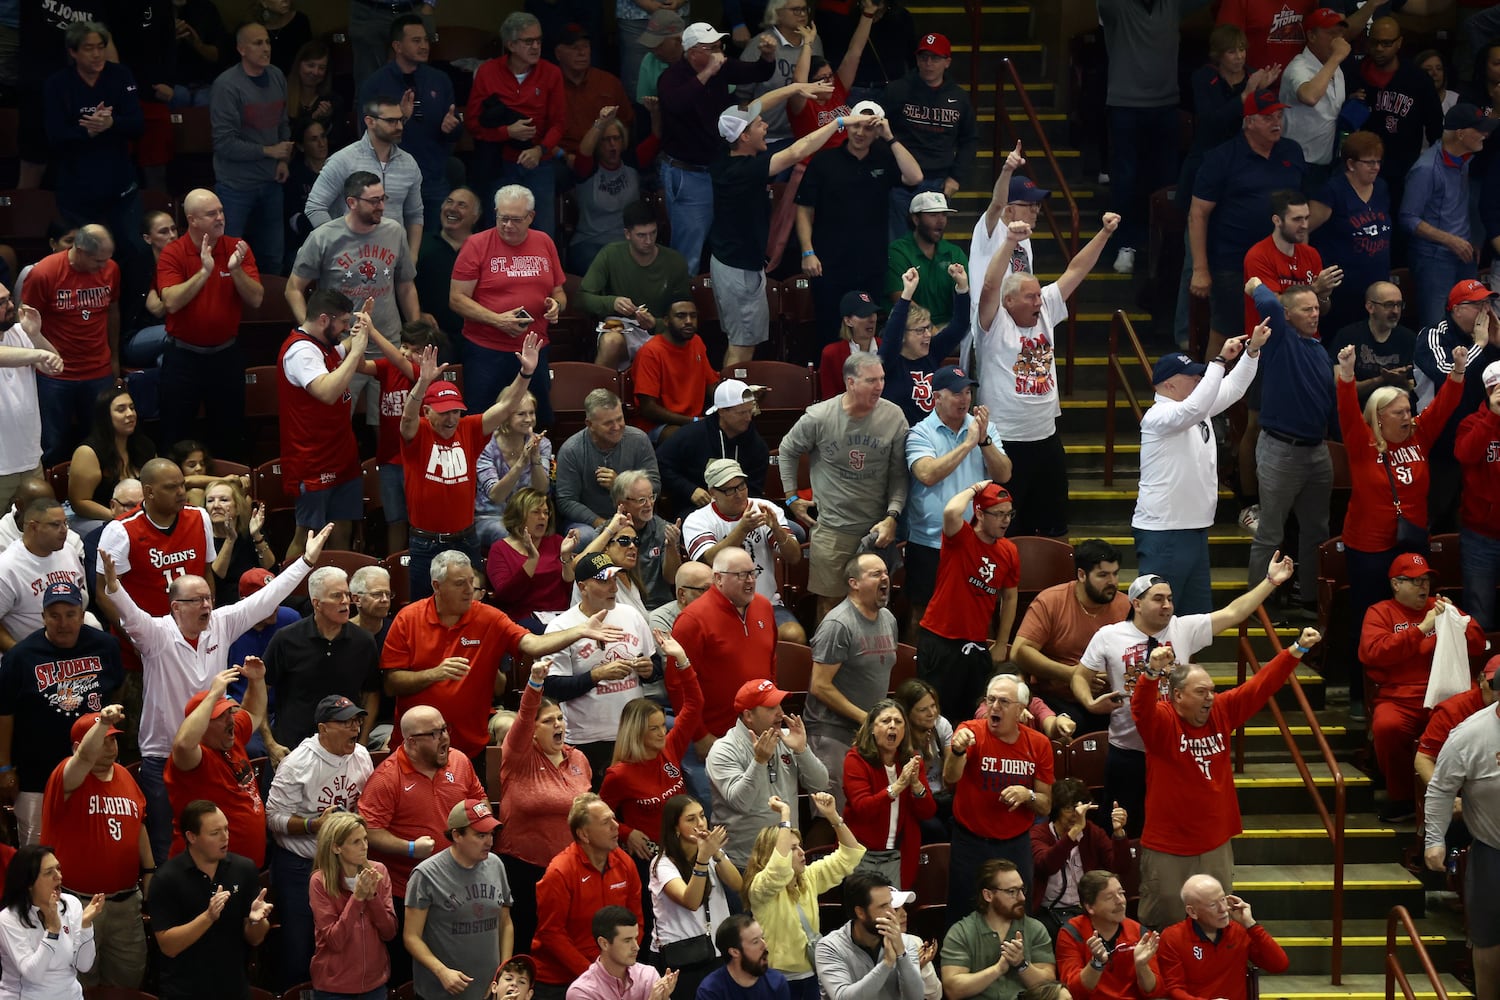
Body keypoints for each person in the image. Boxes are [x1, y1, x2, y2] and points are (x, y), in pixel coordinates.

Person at [101, 525, 326, 866]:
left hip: (215, 753)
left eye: (209, 598)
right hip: (165, 756)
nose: (207, 605)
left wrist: (306, 562)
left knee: (221, 838)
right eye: (197, 601)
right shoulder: (155, 635)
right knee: (171, 843)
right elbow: (129, 615)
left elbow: (266, 598)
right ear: (176, 607)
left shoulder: (221, 622)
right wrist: (114, 586)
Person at [1070, 560, 1295, 841]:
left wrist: (1271, 582)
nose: (1167, 605)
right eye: (1158, 599)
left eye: (1170, 599)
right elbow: (1079, 676)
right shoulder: (1109, 635)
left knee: (1169, 828)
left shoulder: (1184, 628)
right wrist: (1090, 704)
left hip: (1174, 750)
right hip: (1128, 749)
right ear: (1137, 604)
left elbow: (1235, 612)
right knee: (1119, 829)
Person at [1129, 630, 1321, 928]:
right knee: (1166, 924)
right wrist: (1151, 673)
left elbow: (1260, 685)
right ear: (1178, 695)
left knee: (1217, 921)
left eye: (1212, 690)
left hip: (1214, 842)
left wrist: (1295, 650)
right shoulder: (1163, 721)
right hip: (1169, 845)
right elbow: (1141, 709)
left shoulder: (1222, 710)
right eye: (1201, 692)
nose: (1210, 697)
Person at [383, 549, 626, 760]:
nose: (470, 590)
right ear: (437, 586)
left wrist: (581, 630)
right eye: (460, 584)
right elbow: (392, 684)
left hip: (471, 746)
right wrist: (434, 674)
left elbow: (533, 644)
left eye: (471, 581)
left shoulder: (489, 617)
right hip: (416, 745)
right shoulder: (408, 619)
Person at [974, 213, 1121, 538]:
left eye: (1040, 295)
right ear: (1009, 301)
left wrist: (1104, 233)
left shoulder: (1046, 311)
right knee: (1007, 531)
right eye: (1031, 297)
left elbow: (1076, 270)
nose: (1040, 301)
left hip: (1046, 437)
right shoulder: (993, 323)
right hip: (1006, 441)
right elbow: (988, 284)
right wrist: (1011, 241)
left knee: (1055, 526)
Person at [1133, 329, 1265, 617]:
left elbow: (1233, 388)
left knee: (1194, 620)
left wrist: (1251, 352)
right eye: (1191, 376)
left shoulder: (1195, 409)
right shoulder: (1159, 416)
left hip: (1194, 528)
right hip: (1164, 531)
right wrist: (1218, 362)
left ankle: (1186, 665)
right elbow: (1197, 405)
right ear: (1168, 384)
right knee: (1158, 619)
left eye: (1199, 374)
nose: (1198, 380)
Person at [400, 339, 541, 601]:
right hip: (426, 542)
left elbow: (507, 405)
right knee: (422, 608)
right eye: (443, 413)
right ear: (427, 411)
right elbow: (406, 419)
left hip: (465, 538)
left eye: (455, 412)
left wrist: (526, 373)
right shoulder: (418, 431)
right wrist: (422, 383)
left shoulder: (469, 429)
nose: (451, 418)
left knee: (472, 604)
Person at [710, 92, 841, 368]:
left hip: (733, 263)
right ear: (744, 136)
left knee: (743, 340)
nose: (766, 126)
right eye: (759, 124)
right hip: (739, 269)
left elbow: (757, 104)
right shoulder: (743, 170)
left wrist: (795, 87)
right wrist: (838, 122)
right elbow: (796, 152)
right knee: (742, 345)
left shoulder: (725, 152)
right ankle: (730, 405)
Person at [356, 706, 485, 984]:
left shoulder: (460, 762)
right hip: (410, 893)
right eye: (435, 733)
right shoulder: (387, 778)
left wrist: (476, 830)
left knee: (457, 965)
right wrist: (409, 848)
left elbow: (480, 802)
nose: (445, 738)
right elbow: (369, 830)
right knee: (411, 975)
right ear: (411, 742)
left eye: (444, 729)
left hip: (460, 887)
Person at [779, 354, 908, 623]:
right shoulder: (820, 416)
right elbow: (787, 450)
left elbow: (899, 474)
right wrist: (791, 497)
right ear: (850, 382)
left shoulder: (893, 416)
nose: (879, 386)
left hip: (875, 531)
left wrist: (892, 516)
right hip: (833, 530)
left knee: (875, 608)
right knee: (829, 606)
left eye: (882, 379)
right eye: (871, 380)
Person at [1359, 553, 1486, 822]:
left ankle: (1470, 799)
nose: (1423, 587)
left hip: (1448, 695)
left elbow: (1477, 645)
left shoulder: (1441, 606)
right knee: (1387, 726)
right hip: (1399, 696)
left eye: (1425, 580)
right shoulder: (1379, 612)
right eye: (1415, 581)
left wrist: (1457, 622)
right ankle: (1403, 798)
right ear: (1395, 584)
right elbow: (1373, 653)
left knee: (1474, 726)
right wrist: (1421, 629)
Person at [1187, 90, 1307, 368]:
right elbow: (1198, 214)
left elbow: (1301, 210)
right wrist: (1200, 268)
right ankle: (1210, 406)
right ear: (1249, 121)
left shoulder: (1292, 151)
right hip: (1234, 262)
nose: (1277, 122)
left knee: (1284, 330)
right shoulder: (1222, 157)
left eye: (1279, 115)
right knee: (1227, 334)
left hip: (1284, 259)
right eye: (1268, 117)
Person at [264, 694, 375, 989]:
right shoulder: (297, 764)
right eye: (346, 722)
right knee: (300, 947)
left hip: (345, 863)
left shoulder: (362, 756)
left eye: (356, 721)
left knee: (346, 942)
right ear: (323, 728)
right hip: (302, 864)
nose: (354, 728)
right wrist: (314, 824)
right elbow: (273, 818)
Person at [0, 579, 121, 844]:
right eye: (54, 616)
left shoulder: (106, 647)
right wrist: (5, 767)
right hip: (37, 774)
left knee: (94, 841)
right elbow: (4, 713)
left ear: (82, 615)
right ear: (43, 617)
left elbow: (117, 692)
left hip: (95, 768)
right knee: (38, 848)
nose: (63, 623)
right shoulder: (20, 657)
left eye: (70, 615)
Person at [1243, 277, 1337, 615]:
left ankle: (1307, 598)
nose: (1314, 314)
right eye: (1306, 309)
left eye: (1316, 308)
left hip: (1316, 449)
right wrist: (1256, 285)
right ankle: (1256, 605)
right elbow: (1268, 305)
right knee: (1270, 530)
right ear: (1287, 314)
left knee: (1317, 529)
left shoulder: (1318, 350)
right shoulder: (1280, 339)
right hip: (1281, 448)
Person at [39, 706, 149, 990]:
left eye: (113, 738)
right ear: (81, 745)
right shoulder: (66, 776)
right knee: (78, 984)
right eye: (103, 738)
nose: (110, 744)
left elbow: (139, 825)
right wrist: (102, 722)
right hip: (78, 904)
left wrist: (149, 869)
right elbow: (84, 757)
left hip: (125, 903)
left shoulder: (125, 776)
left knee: (127, 983)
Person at [657, 22, 778, 275]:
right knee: (688, 251)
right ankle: (681, 307)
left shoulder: (721, 68)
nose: (719, 52)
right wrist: (708, 72)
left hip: (716, 167)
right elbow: (676, 104)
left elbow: (758, 72)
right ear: (693, 52)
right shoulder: (671, 78)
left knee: (721, 241)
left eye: (719, 46)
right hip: (686, 173)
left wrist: (767, 57)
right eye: (712, 48)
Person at [796, 100, 923, 340]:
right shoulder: (824, 161)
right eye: (856, 125)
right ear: (848, 125)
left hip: (870, 264)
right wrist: (807, 251)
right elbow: (803, 209)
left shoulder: (884, 158)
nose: (860, 133)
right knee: (829, 329)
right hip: (829, 262)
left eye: (868, 127)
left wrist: (890, 137)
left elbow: (915, 176)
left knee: (866, 330)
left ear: (877, 131)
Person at [1093, 0, 1201, 276]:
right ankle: (1124, 244)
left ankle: (1163, 251)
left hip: (1165, 105)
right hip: (1125, 105)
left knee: (1166, 182)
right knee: (1125, 180)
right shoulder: (1117, 7)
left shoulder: (1172, 5)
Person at [154, 188, 263, 457]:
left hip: (226, 356)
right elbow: (171, 302)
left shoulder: (237, 248)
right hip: (183, 358)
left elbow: (256, 299)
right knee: (175, 435)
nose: (220, 217)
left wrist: (236, 270)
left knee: (229, 435)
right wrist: (204, 272)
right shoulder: (173, 253)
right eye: (211, 213)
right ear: (192, 220)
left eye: (221, 211)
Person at [501, 662, 593, 968]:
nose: (558, 725)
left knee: (568, 938)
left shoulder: (578, 757)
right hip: (525, 868)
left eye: (560, 719)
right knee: (528, 939)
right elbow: (525, 716)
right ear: (533, 729)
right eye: (548, 720)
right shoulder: (519, 756)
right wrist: (535, 684)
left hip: (570, 866)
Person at [449, 183, 566, 424]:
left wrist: (556, 305)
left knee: (538, 422)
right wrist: (497, 320)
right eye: (502, 218)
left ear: (531, 217)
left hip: (534, 349)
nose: (508, 225)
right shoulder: (477, 244)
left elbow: (559, 291)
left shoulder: (544, 241)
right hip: (486, 351)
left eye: (516, 219)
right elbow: (457, 299)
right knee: (481, 422)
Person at [542, 552, 661, 779]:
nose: (613, 588)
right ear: (582, 587)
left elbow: (655, 665)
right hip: (588, 739)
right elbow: (553, 687)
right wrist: (596, 675)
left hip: (633, 733)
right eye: (604, 581)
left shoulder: (631, 615)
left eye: (614, 580)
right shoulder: (561, 627)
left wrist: (648, 670)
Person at [942, 675, 1053, 914]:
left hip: (1016, 844)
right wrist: (958, 751)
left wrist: (1028, 795)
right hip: (971, 842)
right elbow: (950, 778)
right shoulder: (970, 731)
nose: (994, 707)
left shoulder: (1039, 744)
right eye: (990, 699)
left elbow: (1045, 805)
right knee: (964, 912)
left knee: (1017, 913)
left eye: (1003, 701)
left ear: (1020, 710)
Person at [741, 792, 865, 1000]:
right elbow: (778, 871)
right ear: (773, 854)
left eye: (800, 845)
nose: (802, 852)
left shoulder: (808, 877)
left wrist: (833, 817)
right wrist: (785, 814)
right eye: (792, 848)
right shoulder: (760, 888)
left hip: (811, 976)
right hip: (774, 979)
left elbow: (850, 855)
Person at [913, 479, 1018, 723]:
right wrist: (973, 490)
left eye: (1009, 514)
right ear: (979, 513)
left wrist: (1002, 642)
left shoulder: (1009, 551)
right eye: (999, 514)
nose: (1006, 520)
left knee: (971, 716)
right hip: (940, 638)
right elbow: (951, 511)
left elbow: (1010, 597)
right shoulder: (960, 537)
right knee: (935, 715)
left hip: (976, 643)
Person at [275, 289, 367, 558]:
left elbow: (344, 347)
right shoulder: (301, 351)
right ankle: (290, 593)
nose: (346, 329)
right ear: (324, 319)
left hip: (342, 455)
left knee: (342, 529)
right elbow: (327, 392)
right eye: (344, 323)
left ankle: (340, 588)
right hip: (312, 461)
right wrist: (357, 349)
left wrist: (361, 331)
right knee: (308, 535)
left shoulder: (323, 344)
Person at [19, 225, 120, 465]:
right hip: (55, 375)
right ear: (80, 250)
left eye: (107, 259)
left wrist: (114, 357)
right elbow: (26, 324)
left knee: (102, 443)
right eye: (98, 261)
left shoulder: (112, 269)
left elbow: (113, 312)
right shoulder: (44, 273)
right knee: (53, 444)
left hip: (99, 370)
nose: (104, 266)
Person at [1422, 692, 1500, 1000]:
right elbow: (1441, 789)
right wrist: (1434, 840)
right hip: (1493, 850)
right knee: (1489, 942)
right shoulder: (1471, 734)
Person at [43, 20, 144, 255]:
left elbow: (137, 124)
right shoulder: (57, 84)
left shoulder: (120, 75)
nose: (97, 54)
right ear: (73, 51)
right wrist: (87, 132)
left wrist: (111, 123)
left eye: (100, 47)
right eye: (89, 48)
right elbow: (54, 136)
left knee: (134, 247)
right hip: (76, 186)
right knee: (87, 253)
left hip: (119, 183)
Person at [707, 680, 830, 866]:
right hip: (744, 863)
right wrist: (759, 761)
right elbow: (740, 802)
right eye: (772, 707)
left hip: (788, 859)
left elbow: (820, 784)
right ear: (748, 715)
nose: (781, 712)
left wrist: (802, 750)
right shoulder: (723, 750)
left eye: (780, 704)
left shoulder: (786, 737)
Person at [532, 794, 643, 1000]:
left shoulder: (625, 863)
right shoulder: (560, 872)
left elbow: (636, 921)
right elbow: (551, 933)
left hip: (612, 973)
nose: (616, 826)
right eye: (605, 822)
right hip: (559, 981)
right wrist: (595, 973)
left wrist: (622, 960)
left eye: (613, 818)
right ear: (584, 834)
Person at [356, 15, 460, 232]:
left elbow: (454, 132)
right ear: (397, 46)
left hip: (433, 178)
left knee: (433, 245)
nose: (424, 46)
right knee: (394, 245)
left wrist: (452, 128)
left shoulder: (440, 80)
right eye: (416, 41)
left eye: (426, 40)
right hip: (393, 183)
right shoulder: (375, 85)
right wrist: (400, 119)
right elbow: (367, 139)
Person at [682, 459, 805, 643]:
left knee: (794, 635)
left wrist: (778, 530)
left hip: (766, 604)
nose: (739, 494)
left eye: (741, 486)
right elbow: (707, 562)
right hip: (720, 608)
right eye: (729, 490)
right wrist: (742, 529)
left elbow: (794, 557)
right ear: (713, 493)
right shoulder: (698, 520)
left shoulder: (766, 508)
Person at [466, 13, 566, 239]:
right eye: (528, 41)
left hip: (539, 163)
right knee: (499, 232)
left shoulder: (552, 73)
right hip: (500, 162)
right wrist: (506, 132)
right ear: (511, 44)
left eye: (539, 40)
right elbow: (473, 123)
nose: (536, 46)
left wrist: (539, 151)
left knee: (542, 233)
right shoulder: (488, 72)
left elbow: (559, 124)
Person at [261, 569, 380, 759]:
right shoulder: (286, 639)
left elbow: (371, 693)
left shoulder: (364, 642)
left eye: (346, 594)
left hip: (344, 751)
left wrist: (362, 742)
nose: (345, 601)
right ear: (316, 603)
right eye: (336, 596)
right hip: (292, 750)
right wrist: (270, 743)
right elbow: (260, 691)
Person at [806, 553, 898, 797]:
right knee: (832, 815)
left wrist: (872, 723)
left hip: (867, 732)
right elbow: (820, 685)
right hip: (832, 733)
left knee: (863, 810)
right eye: (875, 574)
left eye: (886, 572)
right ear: (854, 583)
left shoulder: (888, 619)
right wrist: (866, 718)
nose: (885, 578)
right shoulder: (838, 624)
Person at [600, 648, 704, 863]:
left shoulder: (671, 745)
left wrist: (682, 660)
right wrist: (626, 833)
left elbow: (695, 704)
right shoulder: (618, 775)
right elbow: (599, 816)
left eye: (662, 726)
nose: (662, 733)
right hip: (650, 856)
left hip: (685, 846)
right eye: (653, 729)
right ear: (637, 732)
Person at [405, 799, 513, 1000]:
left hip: (487, 990)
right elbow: (411, 936)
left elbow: (505, 923)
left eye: (491, 834)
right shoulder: (426, 875)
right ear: (457, 835)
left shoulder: (496, 864)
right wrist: (441, 971)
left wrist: (503, 973)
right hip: (440, 992)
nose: (489, 841)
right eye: (481, 835)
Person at [1416, 282, 1500, 537]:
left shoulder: (1490, 335)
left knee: (1475, 521)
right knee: (1438, 520)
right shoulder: (1433, 334)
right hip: (1441, 446)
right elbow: (1446, 373)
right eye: (1477, 304)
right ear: (1455, 308)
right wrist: (1480, 345)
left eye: (1487, 303)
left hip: (1483, 445)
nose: (1485, 310)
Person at [669, 550, 779, 742]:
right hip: (715, 736)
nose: (750, 581)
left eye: (753, 573)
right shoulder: (692, 619)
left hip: (761, 732)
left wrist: (773, 710)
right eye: (741, 575)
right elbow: (677, 685)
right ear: (718, 578)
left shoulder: (764, 606)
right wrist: (699, 735)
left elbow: (772, 663)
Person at [1401, 105, 1496, 327]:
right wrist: (1450, 240)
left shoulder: (1465, 161)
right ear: (1461, 134)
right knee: (1436, 325)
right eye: (1479, 129)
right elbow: (1407, 217)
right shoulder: (1425, 169)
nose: (1486, 134)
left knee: (1472, 324)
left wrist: (1475, 238)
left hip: (1465, 256)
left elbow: (1468, 204)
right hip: (1434, 260)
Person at [210, 23, 290, 272]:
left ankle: (270, 308)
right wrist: (268, 151)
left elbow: (283, 122)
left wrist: (283, 160)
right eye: (258, 43)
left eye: (267, 42)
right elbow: (223, 142)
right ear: (241, 49)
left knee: (273, 256)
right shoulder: (227, 86)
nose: (265, 48)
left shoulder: (276, 75)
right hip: (236, 185)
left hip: (270, 181)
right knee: (229, 257)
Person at [882, 33, 976, 242]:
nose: (928, 63)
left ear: (947, 62)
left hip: (939, 183)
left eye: (935, 58)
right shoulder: (897, 90)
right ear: (916, 60)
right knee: (898, 246)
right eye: (923, 57)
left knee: (931, 245)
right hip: (901, 182)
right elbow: (880, 133)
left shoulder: (959, 97)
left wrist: (956, 177)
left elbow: (970, 139)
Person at [305, 96, 425, 257]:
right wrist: (337, 245)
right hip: (348, 261)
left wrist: (412, 257)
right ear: (370, 121)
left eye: (401, 120)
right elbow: (315, 206)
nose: (399, 126)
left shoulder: (409, 164)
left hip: (393, 260)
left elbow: (415, 214)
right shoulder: (343, 160)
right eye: (391, 121)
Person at [579, 203, 693, 370]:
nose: (648, 241)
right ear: (627, 234)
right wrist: (613, 302)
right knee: (611, 341)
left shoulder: (674, 261)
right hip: (622, 325)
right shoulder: (611, 254)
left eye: (653, 233)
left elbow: (686, 313)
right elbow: (582, 298)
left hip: (661, 327)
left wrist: (656, 323)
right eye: (641, 235)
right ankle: (600, 394)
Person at [648, 797, 740, 997]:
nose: (700, 823)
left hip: (717, 952)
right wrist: (703, 859)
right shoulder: (661, 864)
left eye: (702, 816)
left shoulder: (711, 853)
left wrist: (716, 853)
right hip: (682, 959)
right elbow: (691, 901)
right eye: (690, 819)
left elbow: (737, 884)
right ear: (676, 828)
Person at [841, 699, 935, 888]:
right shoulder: (856, 760)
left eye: (898, 722)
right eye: (885, 721)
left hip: (899, 854)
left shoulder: (912, 761)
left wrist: (916, 785)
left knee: (894, 913)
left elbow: (927, 812)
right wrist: (898, 786)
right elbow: (863, 808)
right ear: (872, 729)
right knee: (865, 914)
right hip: (861, 854)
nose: (893, 726)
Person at [939, 859, 1060, 1000]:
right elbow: (953, 990)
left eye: (1022, 889)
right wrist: (998, 970)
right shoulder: (961, 933)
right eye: (1012, 891)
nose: (1021, 897)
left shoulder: (1035, 929)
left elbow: (1049, 986)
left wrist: (1022, 964)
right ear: (988, 895)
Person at [309, 812, 398, 1000]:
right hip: (334, 987)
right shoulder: (319, 882)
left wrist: (372, 896)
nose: (364, 846)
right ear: (336, 847)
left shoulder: (379, 872)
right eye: (356, 842)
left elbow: (389, 932)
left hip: (374, 985)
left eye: (365, 839)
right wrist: (357, 898)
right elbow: (335, 940)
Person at [1157, 875, 1288, 1000]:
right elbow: (1174, 989)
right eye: (1213, 905)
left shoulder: (1239, 930)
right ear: (1192, 912)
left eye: (1223, 899)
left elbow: (1279, 965)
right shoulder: (1173, 937)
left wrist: (1251, 925)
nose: (1223, 909)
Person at [555, 389, 660, 543]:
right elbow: (566, 501)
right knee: (583, 538)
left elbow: (655, 486)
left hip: (637, 517)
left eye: (619, 419)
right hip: (589, 523)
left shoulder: (639, 440)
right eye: (608, 423)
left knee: (665, 533)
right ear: (589, 424)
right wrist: (604, 525)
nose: (617, 427)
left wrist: (619, 485)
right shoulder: (571, 450)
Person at [0, 843, 102, 999]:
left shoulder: (71, 904)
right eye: (49, 872)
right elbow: (32, 974)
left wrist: (85, 925)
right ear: (28, 883)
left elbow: (84, 965)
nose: (58, 876)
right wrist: (52, 931)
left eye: (58, 868)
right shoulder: (8, 919)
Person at [1029, 780, 1131, 934]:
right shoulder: (1039, 833)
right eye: (1069, 808)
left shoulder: (1091, 832)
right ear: (1057, 809)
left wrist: (1118, 833)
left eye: (1080, 807)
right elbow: (1046, 864)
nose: (1076, 814)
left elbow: (1120, 867)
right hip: (1049, 912)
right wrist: (1075, 832)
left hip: (1086, 910)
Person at [657, 381, 772, 515]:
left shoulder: (757, 446)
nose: (748, 418)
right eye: (741, 413)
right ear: (722, 411)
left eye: (749, 412)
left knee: (795, 530)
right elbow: (660, 464)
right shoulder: (692, 435)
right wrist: (689, 490)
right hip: (695, 511)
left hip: (741, 512)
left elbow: (754, 489)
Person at [879, 267, 975, 425]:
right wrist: (907, 294)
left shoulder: (932, 352)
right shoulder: (888, 362)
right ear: (902, 336)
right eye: (919, 330)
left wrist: (962, 288)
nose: (927, 335)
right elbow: (892, 334)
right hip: (902, 438)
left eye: (928, 328)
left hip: (934, 435)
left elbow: (959, 326)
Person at [814, 869, 926, 1000]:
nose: (892, 912)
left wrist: (901, 954)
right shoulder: (830, 947)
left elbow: (916, 997)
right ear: (860, 912)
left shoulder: (904, 942)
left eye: (891, 903)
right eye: (884, 906)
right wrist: (886, 964)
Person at [0, 498, 90, 650]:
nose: (64, 530)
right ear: (33, 527)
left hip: (70, 645)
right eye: (55, 524)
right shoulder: (7, 568)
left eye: (65, 523)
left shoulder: (68, 550)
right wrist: (20, 655)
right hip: (30, 650)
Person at [1054, 870, 1158, 1000]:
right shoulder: (1072, 933)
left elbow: (1155, 992)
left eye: (1121, 893)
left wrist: (1142, 966)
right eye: (1109, 898)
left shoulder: (1140, 933)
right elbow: (1072, 992)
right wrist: (1096, 964)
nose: (1120, 901)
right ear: (1090, 907)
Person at [1277, 7, 1350, 188]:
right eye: (1331, 34)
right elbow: (1309, 96)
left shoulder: (1336, 69)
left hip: (1326, 162)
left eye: (1340, 34)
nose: (1337, 41)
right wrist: (1336, 58)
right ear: (1312, 36)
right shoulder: (1299, 67)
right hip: (1297, 162)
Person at [66, 388, 154, 536]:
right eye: (121, 409)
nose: (130, 414)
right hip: (96, 518)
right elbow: (79, 502)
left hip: (138, 517)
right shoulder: (88, 452)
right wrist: (120, 518)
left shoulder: (145, 446)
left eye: (132, 408)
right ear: (105, 416)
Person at [0, 290, 58, 511]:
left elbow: (53, 366)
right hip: (1, 466)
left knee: (35, 533)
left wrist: (35, 336)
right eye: (1, 302)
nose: (11, 306)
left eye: (9, 298)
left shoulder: (19, 334)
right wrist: (37, 355)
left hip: (30, 458)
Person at [630, 302, 720, 439]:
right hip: (658, 426)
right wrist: (693, 422)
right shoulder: (651, 352)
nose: (689, 321)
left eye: (693, 316)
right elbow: (648, 409)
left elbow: (710, 386)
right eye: (681, 316)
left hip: (694, 422)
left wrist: (741, 397)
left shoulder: (697, 342)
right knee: (685, 436)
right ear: (666, 321)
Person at [476, 392, 551, 550]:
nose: (529, 419)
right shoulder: (484, 446)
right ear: (504, 416)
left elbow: (541, 490)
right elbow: (496, 496)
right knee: (506, 534)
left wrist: (535, 457)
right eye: (521, 414)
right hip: (491, 517)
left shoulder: (542, 443)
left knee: (547, 534)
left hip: (527, 517)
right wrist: (521, 463)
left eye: (531, 413)